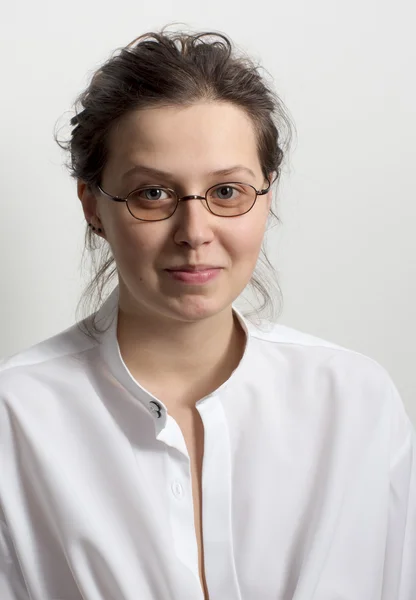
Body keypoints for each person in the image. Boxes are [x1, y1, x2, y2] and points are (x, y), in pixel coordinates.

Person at [0, 26, 414, 600]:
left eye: (226, 192)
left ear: (268, 196)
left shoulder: (356, 401)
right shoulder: (14, 417)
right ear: (93, 205)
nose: (195, 234)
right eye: (152, 193)